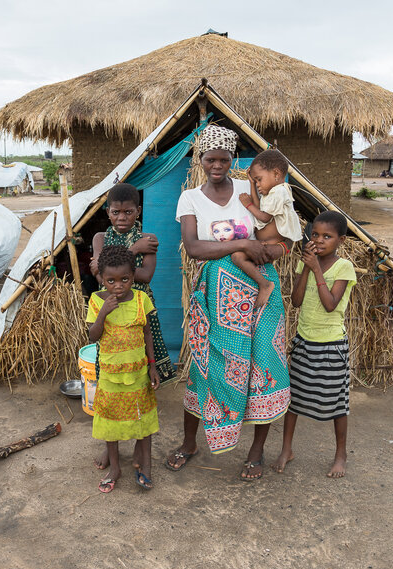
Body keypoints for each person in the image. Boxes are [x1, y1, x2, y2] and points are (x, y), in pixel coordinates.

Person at [169, 124, 298, 481]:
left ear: (232, 159)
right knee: (205, 367)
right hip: (216, 295)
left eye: (224, 159)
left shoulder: (248, 188)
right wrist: (241, 246)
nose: (217, 165)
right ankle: (190, 443)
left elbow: (275, 225)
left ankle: (256, 452)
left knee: (262, 367)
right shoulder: (190, 198)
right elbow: (194, 247)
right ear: (201, 159)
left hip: (260, 287)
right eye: (210, 158)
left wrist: (274, 248)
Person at [89, 183, 175, 473]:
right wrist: (132, 250)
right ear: (108, 213)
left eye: (128, 211)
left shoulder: (149, 237)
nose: (122, 217)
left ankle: (141, 441)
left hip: (140, 307)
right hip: (110, 311)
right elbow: (98, 269)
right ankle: (109, 442)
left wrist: (123, 261)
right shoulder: (101, 236)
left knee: (142, 377)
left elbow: (146, 276)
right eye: (116, 212)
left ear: (138, 211)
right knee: (110, 378)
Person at [271, 211, 356, 478]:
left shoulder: (344, 268)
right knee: (293, 401)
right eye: (315, 235)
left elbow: (331, 305)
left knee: (336, 405)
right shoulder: (306, 263)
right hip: (304, 342)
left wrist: (316, 268)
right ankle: (287, 449)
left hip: (331, 346)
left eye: (327, 236)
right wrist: (307, 267)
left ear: (340, 240)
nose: (319, 241)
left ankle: (340, 455)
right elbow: (295, 301)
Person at [87, 245, 161, 493]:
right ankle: (115, 468)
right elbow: (92, 337)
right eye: (110, 280)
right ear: (102, 278)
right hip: (110, 375)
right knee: (110, 422)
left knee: (143, 420)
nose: (118, 286)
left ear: (133, 276)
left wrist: (152, 366)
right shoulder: (97, 300)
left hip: (139, 373)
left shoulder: (141, 299)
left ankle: (147, 466)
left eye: (125, 279)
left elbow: (148, 333)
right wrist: (103, 314)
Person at [233, 149, 303, 308]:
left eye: (259, 180)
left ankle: (264, 284)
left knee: (238, 257)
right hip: (270, 244)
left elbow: (264, 217)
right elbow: (260, 209)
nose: (258, 184)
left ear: (276, 174)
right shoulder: (272, 192)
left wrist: (248, 204)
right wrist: (251, 184)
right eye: (255, 181)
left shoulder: (279, 191)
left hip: (278, 245)